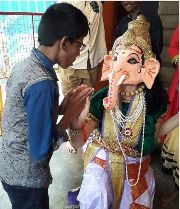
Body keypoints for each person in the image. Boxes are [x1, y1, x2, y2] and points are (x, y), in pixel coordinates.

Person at [66, 15, 167, 209]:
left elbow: (156, 131)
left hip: (135, 166)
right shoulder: (101, 98)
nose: (120, 66)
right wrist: (76, 124)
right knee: (97, 192)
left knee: (136, 202)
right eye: (117, 57)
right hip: (104, 162)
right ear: (109, 63)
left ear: (148, 68)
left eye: (131, 59)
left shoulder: (152, 100)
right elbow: (78, 142)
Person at [0, 3, 94, 209]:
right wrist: (69, 116)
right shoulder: (42, 83)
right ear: (64, 43)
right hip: (26, 179)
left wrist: (60, 107)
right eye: (79, 45)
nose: (79, 53)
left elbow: (27, 113)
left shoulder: (27, 65)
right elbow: (40, 151)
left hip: (9, 165)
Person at [59, 1, 107, 96]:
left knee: (88, 101)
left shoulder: (97, 3)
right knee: (69, 102)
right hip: (70, 64)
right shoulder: (64, 3)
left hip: (90, 62)